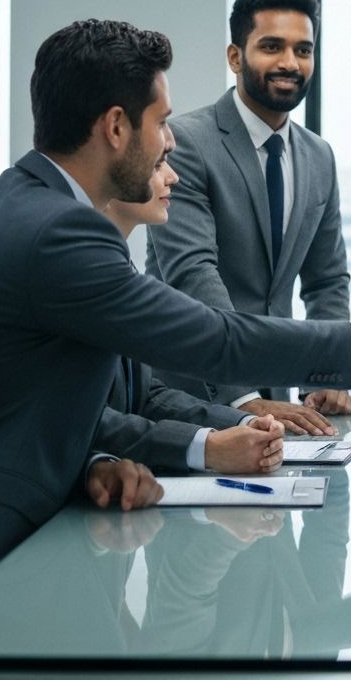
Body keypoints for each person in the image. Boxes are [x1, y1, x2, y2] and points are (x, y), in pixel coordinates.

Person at [0, 18, 351, 604]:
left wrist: (103, 458)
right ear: (114, 127)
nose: (170, 142)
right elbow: (212, 339)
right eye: (160, 123)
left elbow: (38, 397)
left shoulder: (32, 206)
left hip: (6, 525)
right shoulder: (56, 230)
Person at [149, 0, 351, 436]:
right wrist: (243, 396)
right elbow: (192, 275)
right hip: (188, 400)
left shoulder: (320, 156)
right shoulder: (185, 144)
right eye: (271, 46)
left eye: (303, 49)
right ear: (235, 57)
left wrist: (326, 374)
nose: (289, 63)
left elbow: (326, 280)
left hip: (280, 404)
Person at [99, 159, 286, 475]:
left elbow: (143, 395)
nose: (173, 177)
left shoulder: (117, 262)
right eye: (157, 165)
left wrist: (241, 422)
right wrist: (208, 447)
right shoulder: (80, 269)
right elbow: (85, 419)